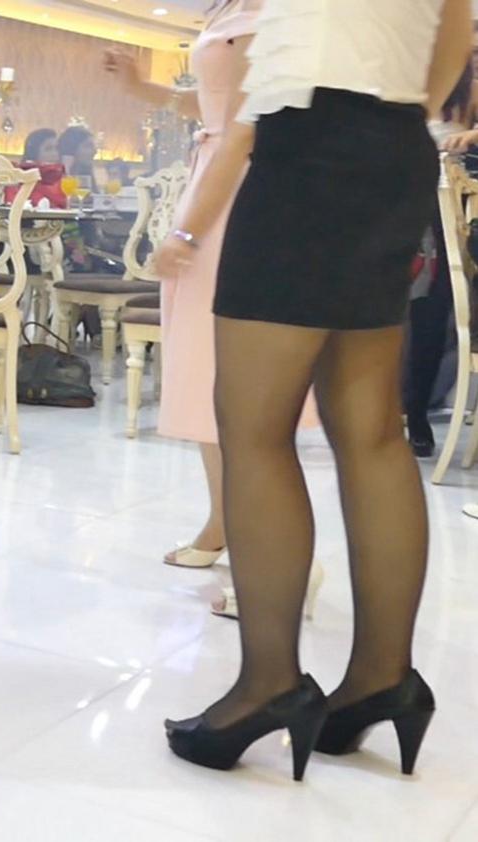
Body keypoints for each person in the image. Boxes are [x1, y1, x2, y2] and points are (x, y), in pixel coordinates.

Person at [154, 0, 471, 779]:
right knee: (370, 429)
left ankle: (268, 684)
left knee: (253, 426)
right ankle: (382, 679)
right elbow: (457, 30)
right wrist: (399, 112)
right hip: (394, 144)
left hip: (310, 145)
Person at [105, 1, 320, 621]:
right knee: (205, 372)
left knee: (239, 379)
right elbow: (212, 106)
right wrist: (141, 88)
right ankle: (223, 524)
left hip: (241, 189)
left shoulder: (268, 14)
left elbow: (249, 125)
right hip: (215, 175)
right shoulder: (227, 12)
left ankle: (279, 558)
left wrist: (191, 232)